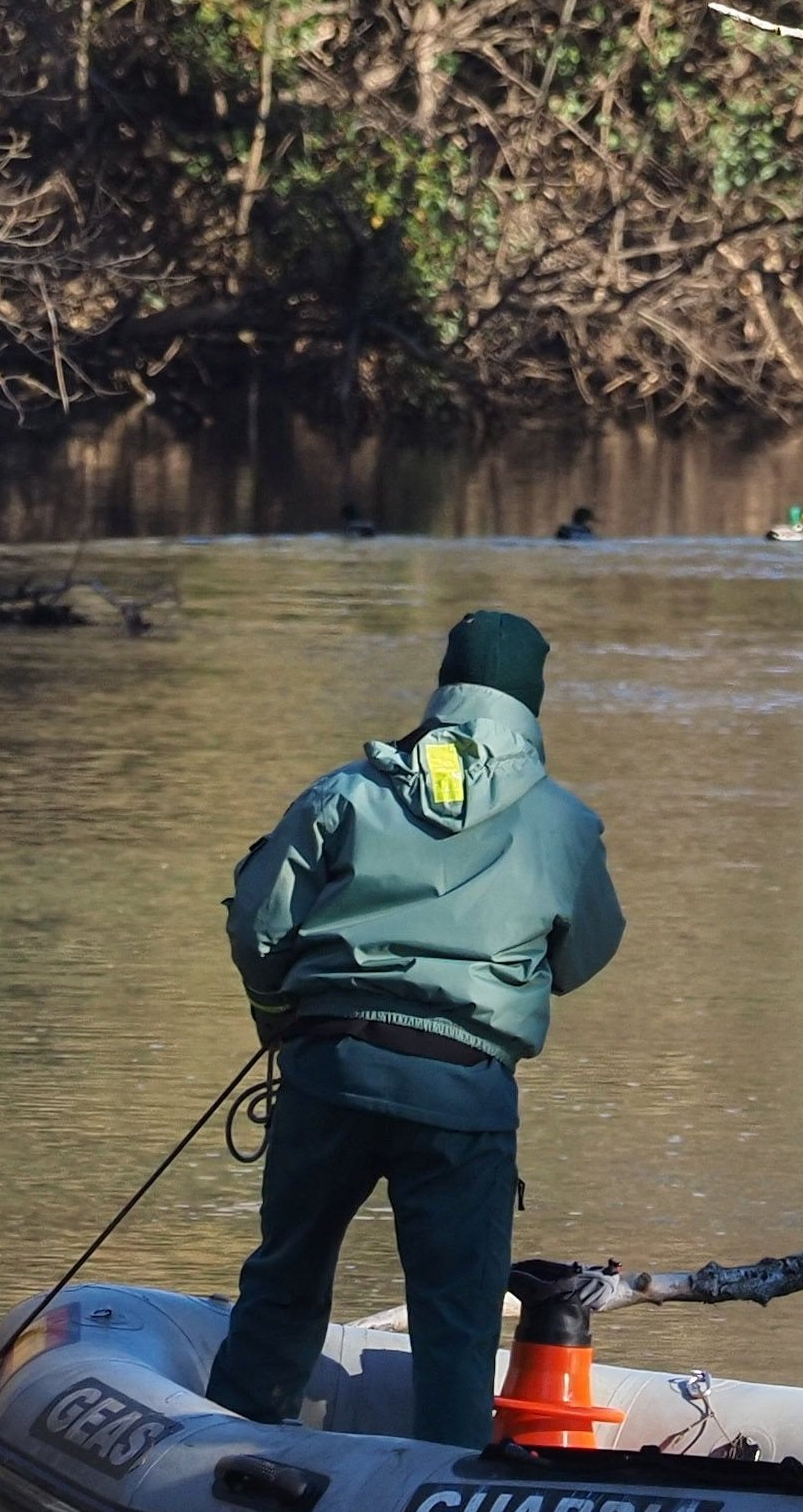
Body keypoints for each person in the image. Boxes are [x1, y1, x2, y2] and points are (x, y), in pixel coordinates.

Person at [204, 610, 627, 1447]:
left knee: (285, 1284)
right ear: (530, 703)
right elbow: (584, 958)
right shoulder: (567, 826)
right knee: (458, 1323)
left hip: (332, 1071)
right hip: (463, 1096)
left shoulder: (348, 792)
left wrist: (277, 1015)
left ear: (444, 687)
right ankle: (443, 1506)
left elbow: (258, 926)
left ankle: (223, 1465)